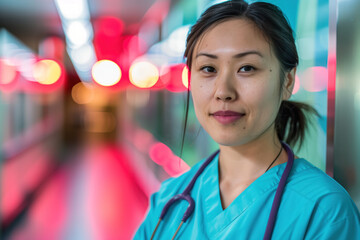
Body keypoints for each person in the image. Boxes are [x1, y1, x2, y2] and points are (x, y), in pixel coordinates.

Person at [133, 1, 360, 239]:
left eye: (247, 68)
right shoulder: (169, 200)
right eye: (209, 69)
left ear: (287, 82)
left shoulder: (325, 212)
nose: (223, 91)